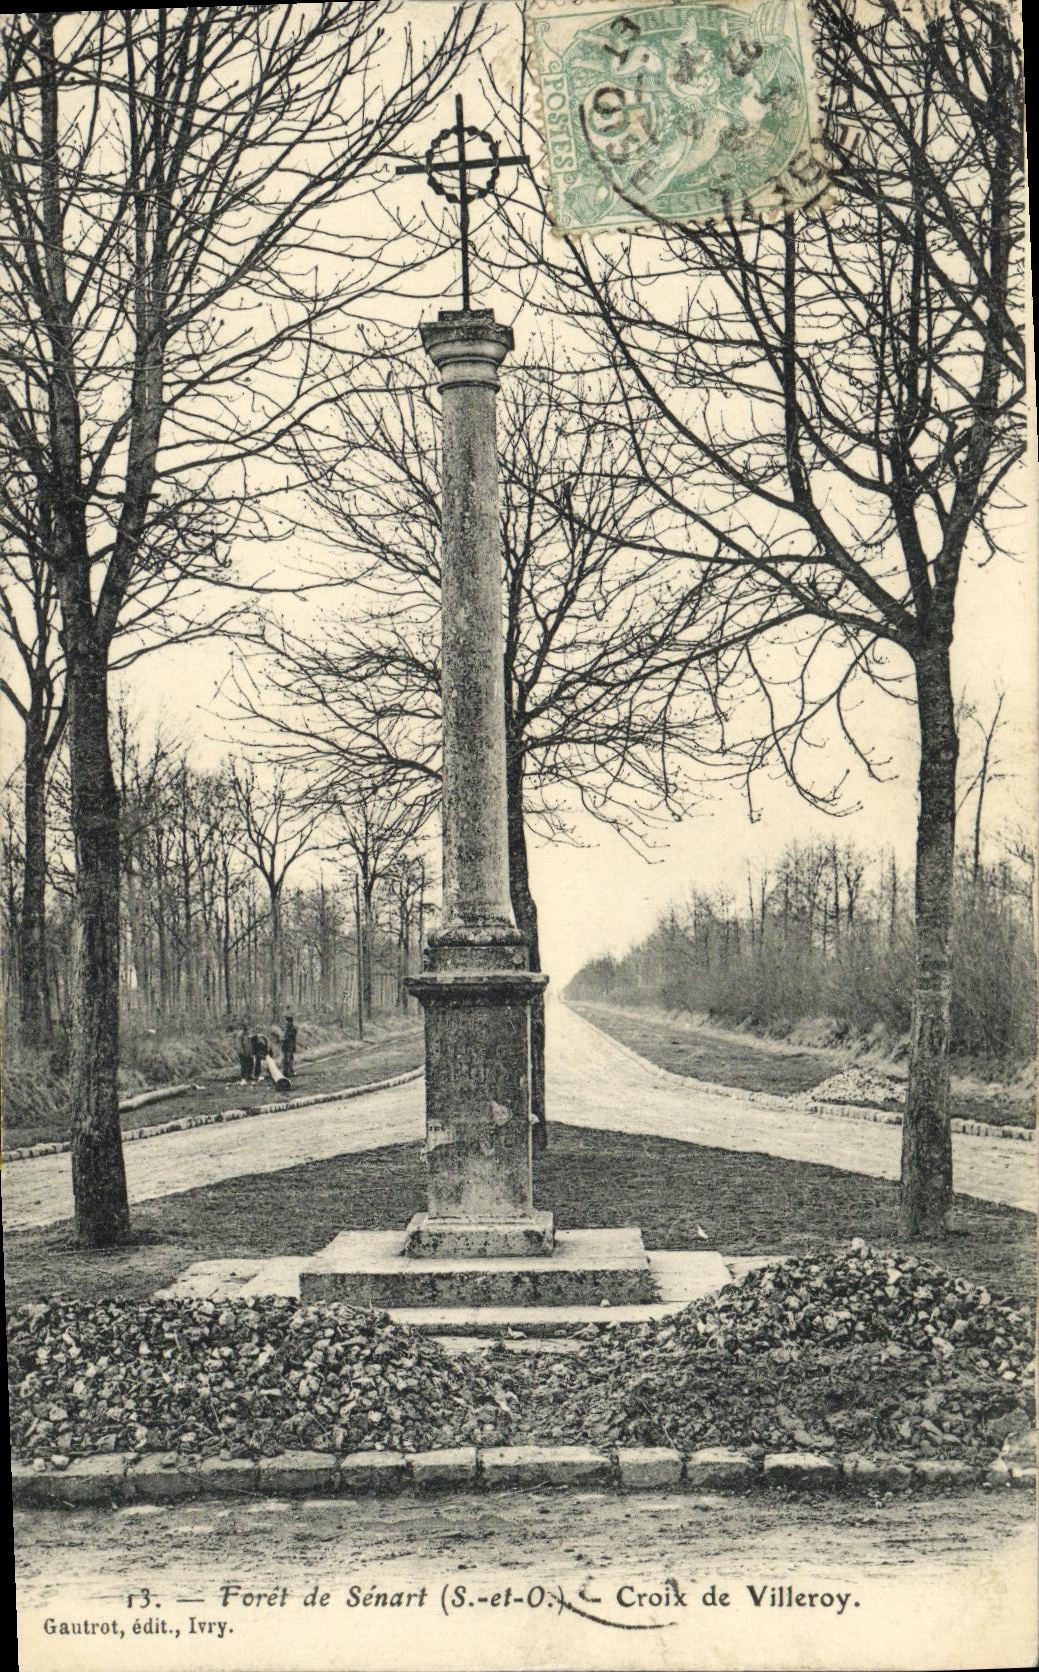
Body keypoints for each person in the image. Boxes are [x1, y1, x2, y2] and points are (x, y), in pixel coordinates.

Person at [281, 1014, 297, 1078]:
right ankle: (287, 1071)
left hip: (289, 1045)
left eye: (286, 1021)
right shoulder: (286, 1029)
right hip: (286, 1046)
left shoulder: (291, 1029)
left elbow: (290, 1037)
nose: (285, 1022)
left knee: (289, 1058)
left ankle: (289, 1071)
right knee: (286, 1058)